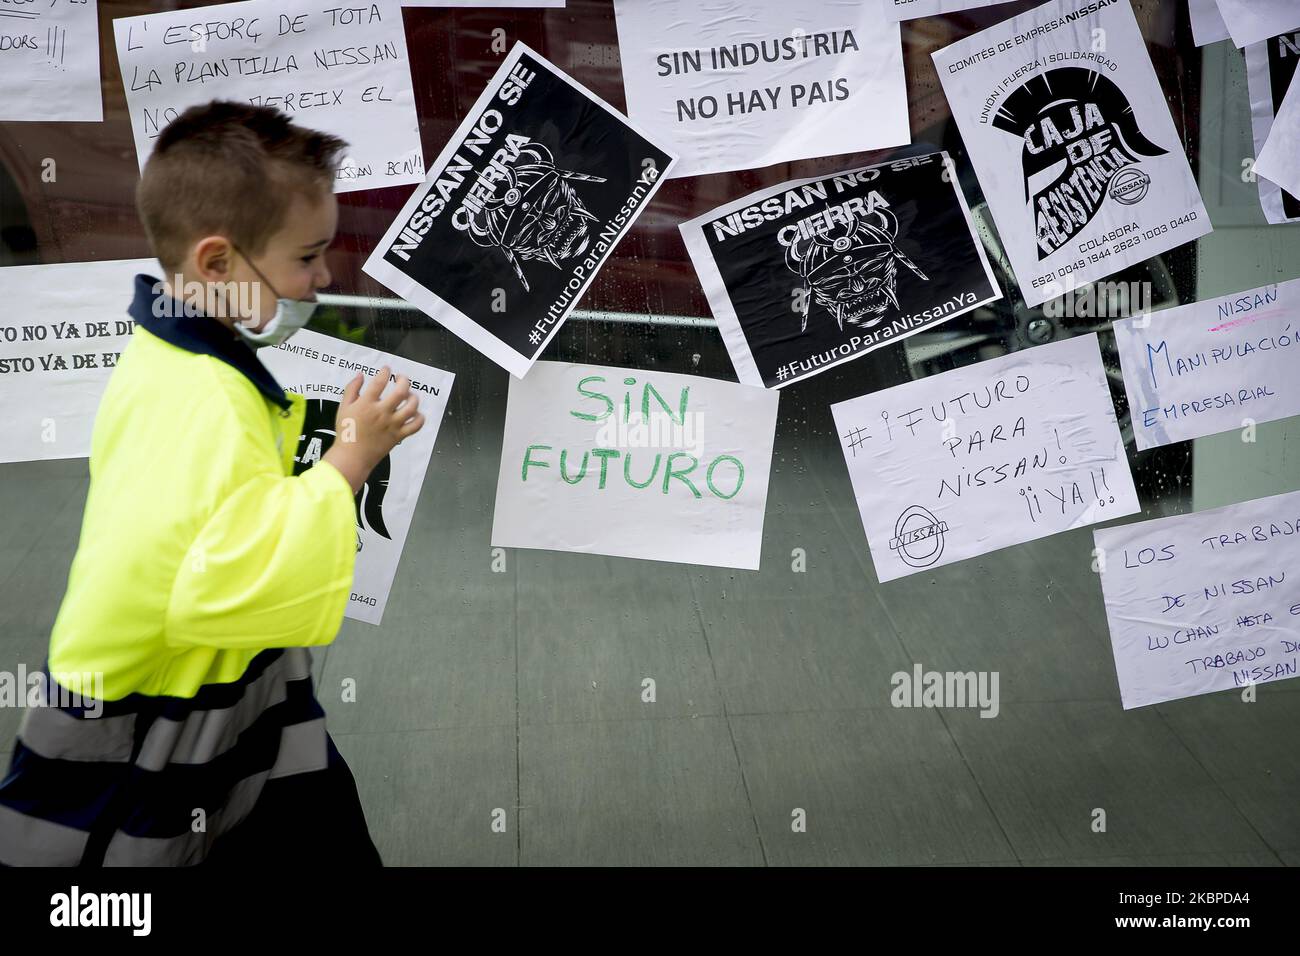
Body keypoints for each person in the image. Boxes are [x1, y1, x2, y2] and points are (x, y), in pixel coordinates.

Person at [0, 101, 423, 866]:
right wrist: (350, 461)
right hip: (157, 714)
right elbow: (225, 579)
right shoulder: (204, 396)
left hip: (226, 688)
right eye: (306, 257)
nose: (323, 277)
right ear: (217, 263)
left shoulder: (174, 351)